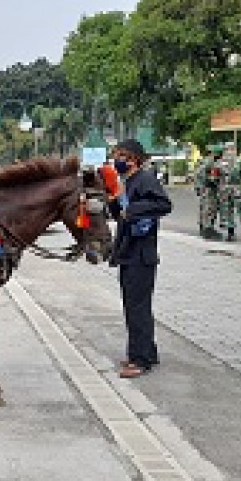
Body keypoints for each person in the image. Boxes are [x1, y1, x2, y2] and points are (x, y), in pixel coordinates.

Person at [107, 139, 173, 378]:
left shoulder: (145, 179)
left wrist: (132, 210)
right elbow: (119, 215)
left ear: (133, 158)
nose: (117, 161)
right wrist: (114, 200)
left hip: (141, 255)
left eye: (120, 156)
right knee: (135, 306)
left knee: (137, 308)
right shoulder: (127, 182)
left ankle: (140, 359)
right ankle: (146, 352)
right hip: (128, 252)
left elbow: (164, 204)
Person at [195, 146, 224, 240]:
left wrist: (198, 187)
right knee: (210, 208)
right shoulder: (211, 162)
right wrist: (214, 182)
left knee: (204, 208)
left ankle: (203, 228)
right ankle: (208, 230)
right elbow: (210, 176)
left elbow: (197, 175)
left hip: (203, 188)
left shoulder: (203, 161)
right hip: (209, 188)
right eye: (220, 153)